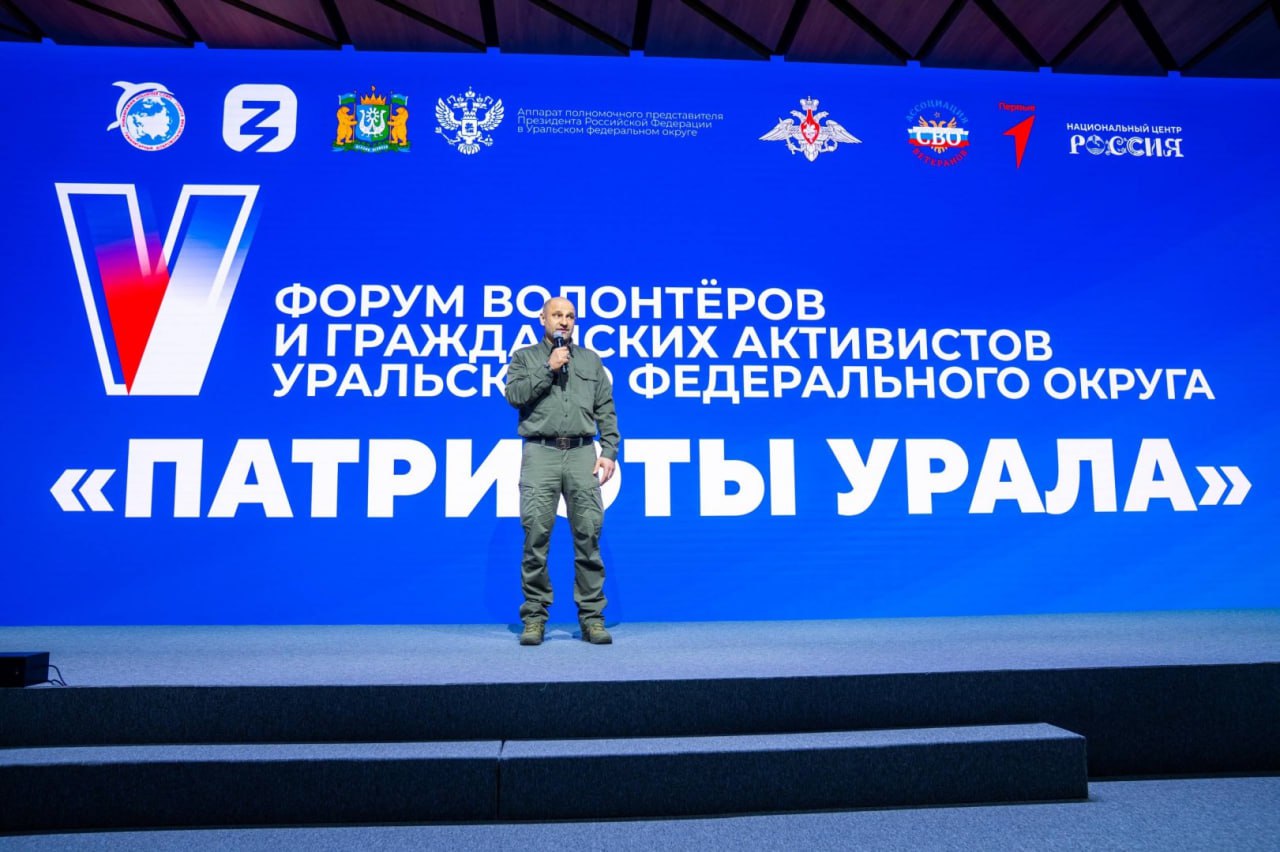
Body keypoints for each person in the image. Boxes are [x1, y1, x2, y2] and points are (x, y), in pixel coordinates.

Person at [504, 297, 620, 646]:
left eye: (570, 316)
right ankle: (534, 617)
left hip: (583, 452)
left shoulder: (590, 360)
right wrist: (548, 367)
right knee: (535, 537)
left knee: (588, 535)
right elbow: (515, 395)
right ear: (543, 319)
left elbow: (606, 408)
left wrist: (609, 450)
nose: (564, 321)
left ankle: (592, 619)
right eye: (557, 315)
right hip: (541, 452)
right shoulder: (525, 357)